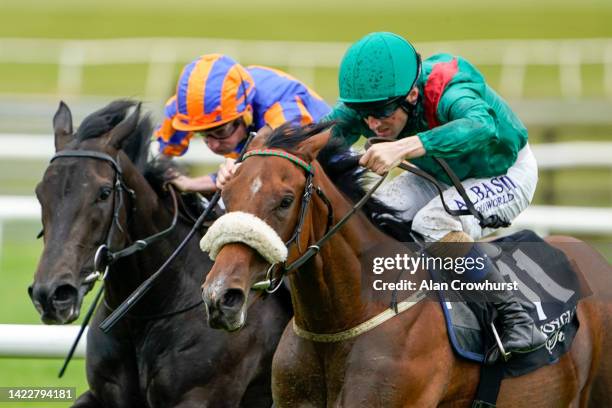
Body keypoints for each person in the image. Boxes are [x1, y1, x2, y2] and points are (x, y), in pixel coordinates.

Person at [326, 31, 547, 363]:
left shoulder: (450, 85)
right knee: (374, 213)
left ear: (412, 94)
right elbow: (316, 137)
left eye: (383, 113)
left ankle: (514, 314)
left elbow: (480, 125)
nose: (372, 124)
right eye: (364, 114)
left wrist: (402, 147)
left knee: (432, 222)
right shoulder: (373, 99)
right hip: (440, 175)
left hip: (504, 172)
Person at [156, 53, 331, 192]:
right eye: (203, 134)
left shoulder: (278, 100)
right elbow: (161, 155)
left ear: (246, 113)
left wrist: (198, 182)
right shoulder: (184, 109)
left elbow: (269, 157)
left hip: (328, 162)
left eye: (221, 131)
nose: (214, 145)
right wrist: (176, 177)